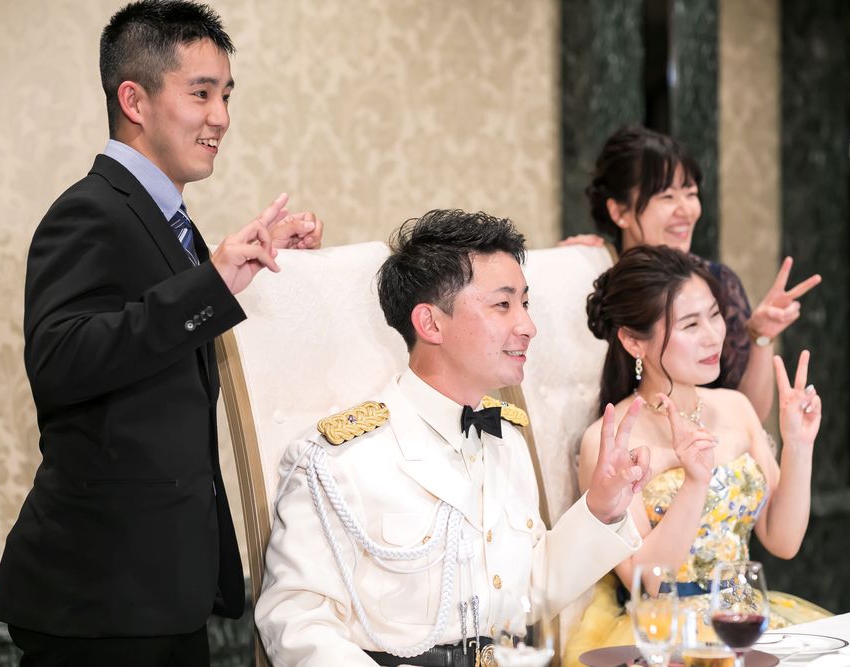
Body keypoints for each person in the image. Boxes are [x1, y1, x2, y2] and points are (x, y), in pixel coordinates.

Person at [0, 1, 323, 664]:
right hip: (100, 597)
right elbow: (59, 359)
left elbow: (157, 329)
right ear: (134, 100)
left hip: (160, 591)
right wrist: (210, 281)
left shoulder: (164, 219)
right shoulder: (88, 210)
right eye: (201, 93)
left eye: (226, 95)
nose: (220, 116)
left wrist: (254, 267)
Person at [255, 209, 650, 666]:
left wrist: (602, 508)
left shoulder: (505, 438)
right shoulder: (339, 460)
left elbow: (528, 593)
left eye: (525, 303)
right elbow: (296, 623)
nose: (527, 325)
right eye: (502, 305)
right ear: (430, 323)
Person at [563, 246, 829, 661]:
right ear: (633, 341)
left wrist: (798, 443)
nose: (713, 336)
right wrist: (694, 481)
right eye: (690, 324)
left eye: (715, 315)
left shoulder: (736, 407)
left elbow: (784, 540)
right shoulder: (609, 441)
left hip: (746, 619)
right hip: (668, 636)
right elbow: (649, 582)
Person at [561, 126, 821, 420]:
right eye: (667, 196)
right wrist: (571, 261)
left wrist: (760, 336)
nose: (686, 210)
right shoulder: (594, 281)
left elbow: (749, 417)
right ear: (619, 212)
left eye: (691, 193)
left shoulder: (714, 284)